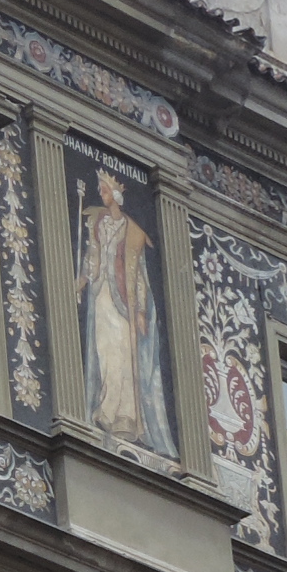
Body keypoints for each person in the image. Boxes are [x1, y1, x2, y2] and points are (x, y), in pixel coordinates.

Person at [79, 166, 178, 457]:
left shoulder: (132, 231)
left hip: (125, 301)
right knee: (105, 352)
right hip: (102, 294)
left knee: (123, 355)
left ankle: (125, 418)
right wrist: (81, 282)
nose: (101, 194)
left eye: (104, 190)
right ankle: (106, 410)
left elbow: (140, 275)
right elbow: (92, 257)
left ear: (116, 195)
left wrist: (142, 311)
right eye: (100, 190)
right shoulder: (98, 223)